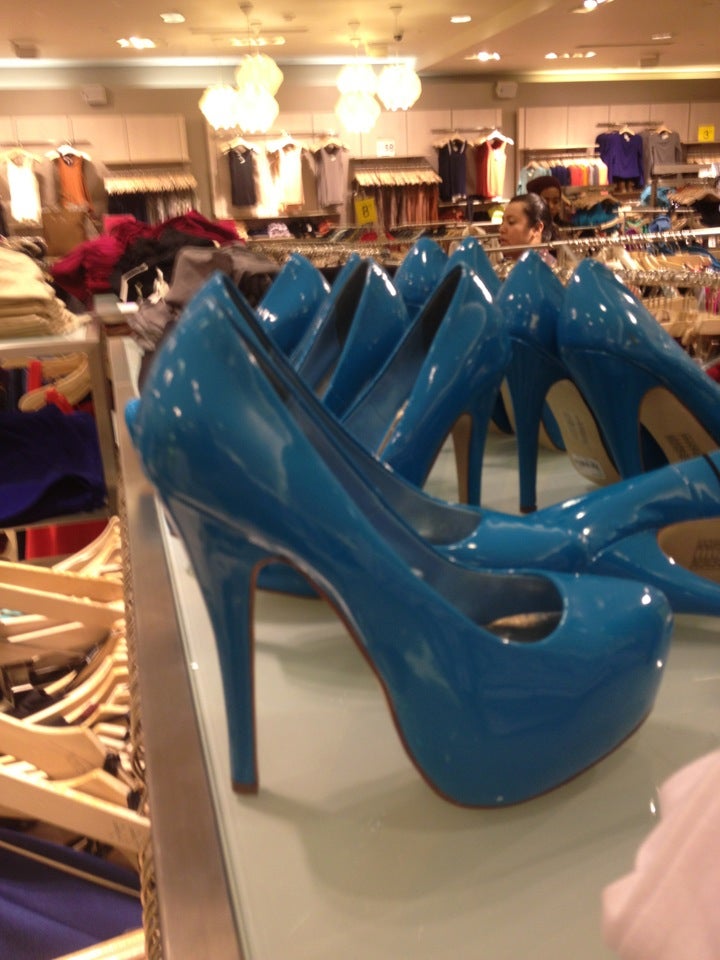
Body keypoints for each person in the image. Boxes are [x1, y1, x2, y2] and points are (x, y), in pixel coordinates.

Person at [497, 192, 554, 260]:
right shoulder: (507, 264)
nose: (501, 229)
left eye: (511, 222)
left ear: (537, 228)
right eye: (502, 222)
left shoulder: (546, 265)